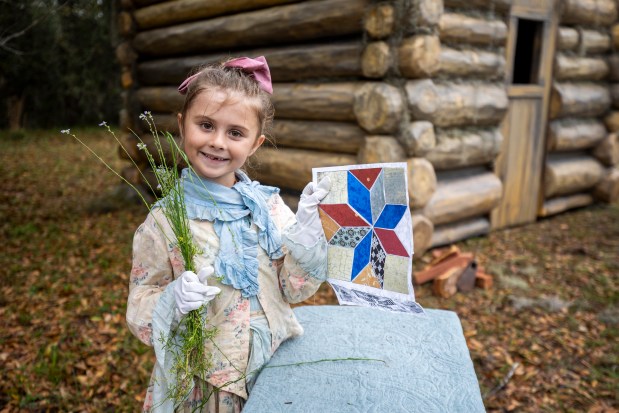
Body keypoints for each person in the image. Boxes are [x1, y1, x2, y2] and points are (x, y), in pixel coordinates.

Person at [126, 56, 331, 412]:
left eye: (235, 133)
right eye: (205, 125)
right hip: (204, 383)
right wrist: (172, 299)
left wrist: (308, 237)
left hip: (272, 368)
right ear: (182, 125)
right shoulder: (165, 221)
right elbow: (139, 302)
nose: (218, 142)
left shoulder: (269, 210)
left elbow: (293, 289)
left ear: (255, 143)